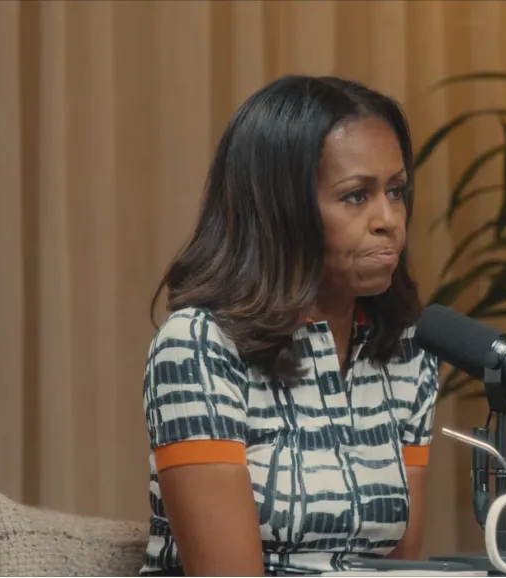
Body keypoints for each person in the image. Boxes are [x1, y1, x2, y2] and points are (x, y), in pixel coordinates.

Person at [141, 75, 439, 577]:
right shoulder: (198, 347)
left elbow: (395, 567)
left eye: (396, 191)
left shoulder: (406, 352)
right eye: (355, 196)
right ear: (280, 209)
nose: (389, 219)